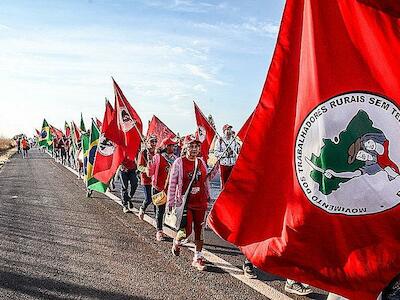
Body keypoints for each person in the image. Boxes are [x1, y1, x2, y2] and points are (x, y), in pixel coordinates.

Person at [167, 134, 216, 271]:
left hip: (200, 203)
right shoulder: (179, 163)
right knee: (186, 231)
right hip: (185, 204)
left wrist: (217, 166)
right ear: (185, 147)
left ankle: (198, 257)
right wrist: (171, 203)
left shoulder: (200, 162)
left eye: (197, 146)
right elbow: (173, 183)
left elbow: (207, 178)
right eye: (191, 146)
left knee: (199, 231)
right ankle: (177, 243)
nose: (194, 149)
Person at [148, 137, 177, 241]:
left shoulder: (175, 159)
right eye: (171, 145)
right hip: (158, 188)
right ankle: (159, 231)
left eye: (173, 145)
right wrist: (149, 163)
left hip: (170, 189)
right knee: (160, 210)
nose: (173, 147)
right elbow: (150, 173)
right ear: (166, 146)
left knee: (168, 210)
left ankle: (162, 225)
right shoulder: (158, 157)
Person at [213, 124, 241, 188]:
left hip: (233, 165)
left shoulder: (234, 140)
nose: (229, 131)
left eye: (230, 129)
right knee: (224, 183)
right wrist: (225, 153)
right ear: (224, 131)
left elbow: (237, 152)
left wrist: (234, 153)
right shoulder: (220, 140)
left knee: (232, 183)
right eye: (227, 129)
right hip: (223, 165)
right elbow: (216, 153)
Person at [137, 135, 157, 220]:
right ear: (148, 142)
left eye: (155, 141)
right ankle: (142, 208)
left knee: (157, 199)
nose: (153, 144)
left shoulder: (157, 153)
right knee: (149, 199)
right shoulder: (143, 152)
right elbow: (139, 166)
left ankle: (157, 217)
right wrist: (147, 170)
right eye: (152, 141)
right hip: (146, 179)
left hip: (156, 180)